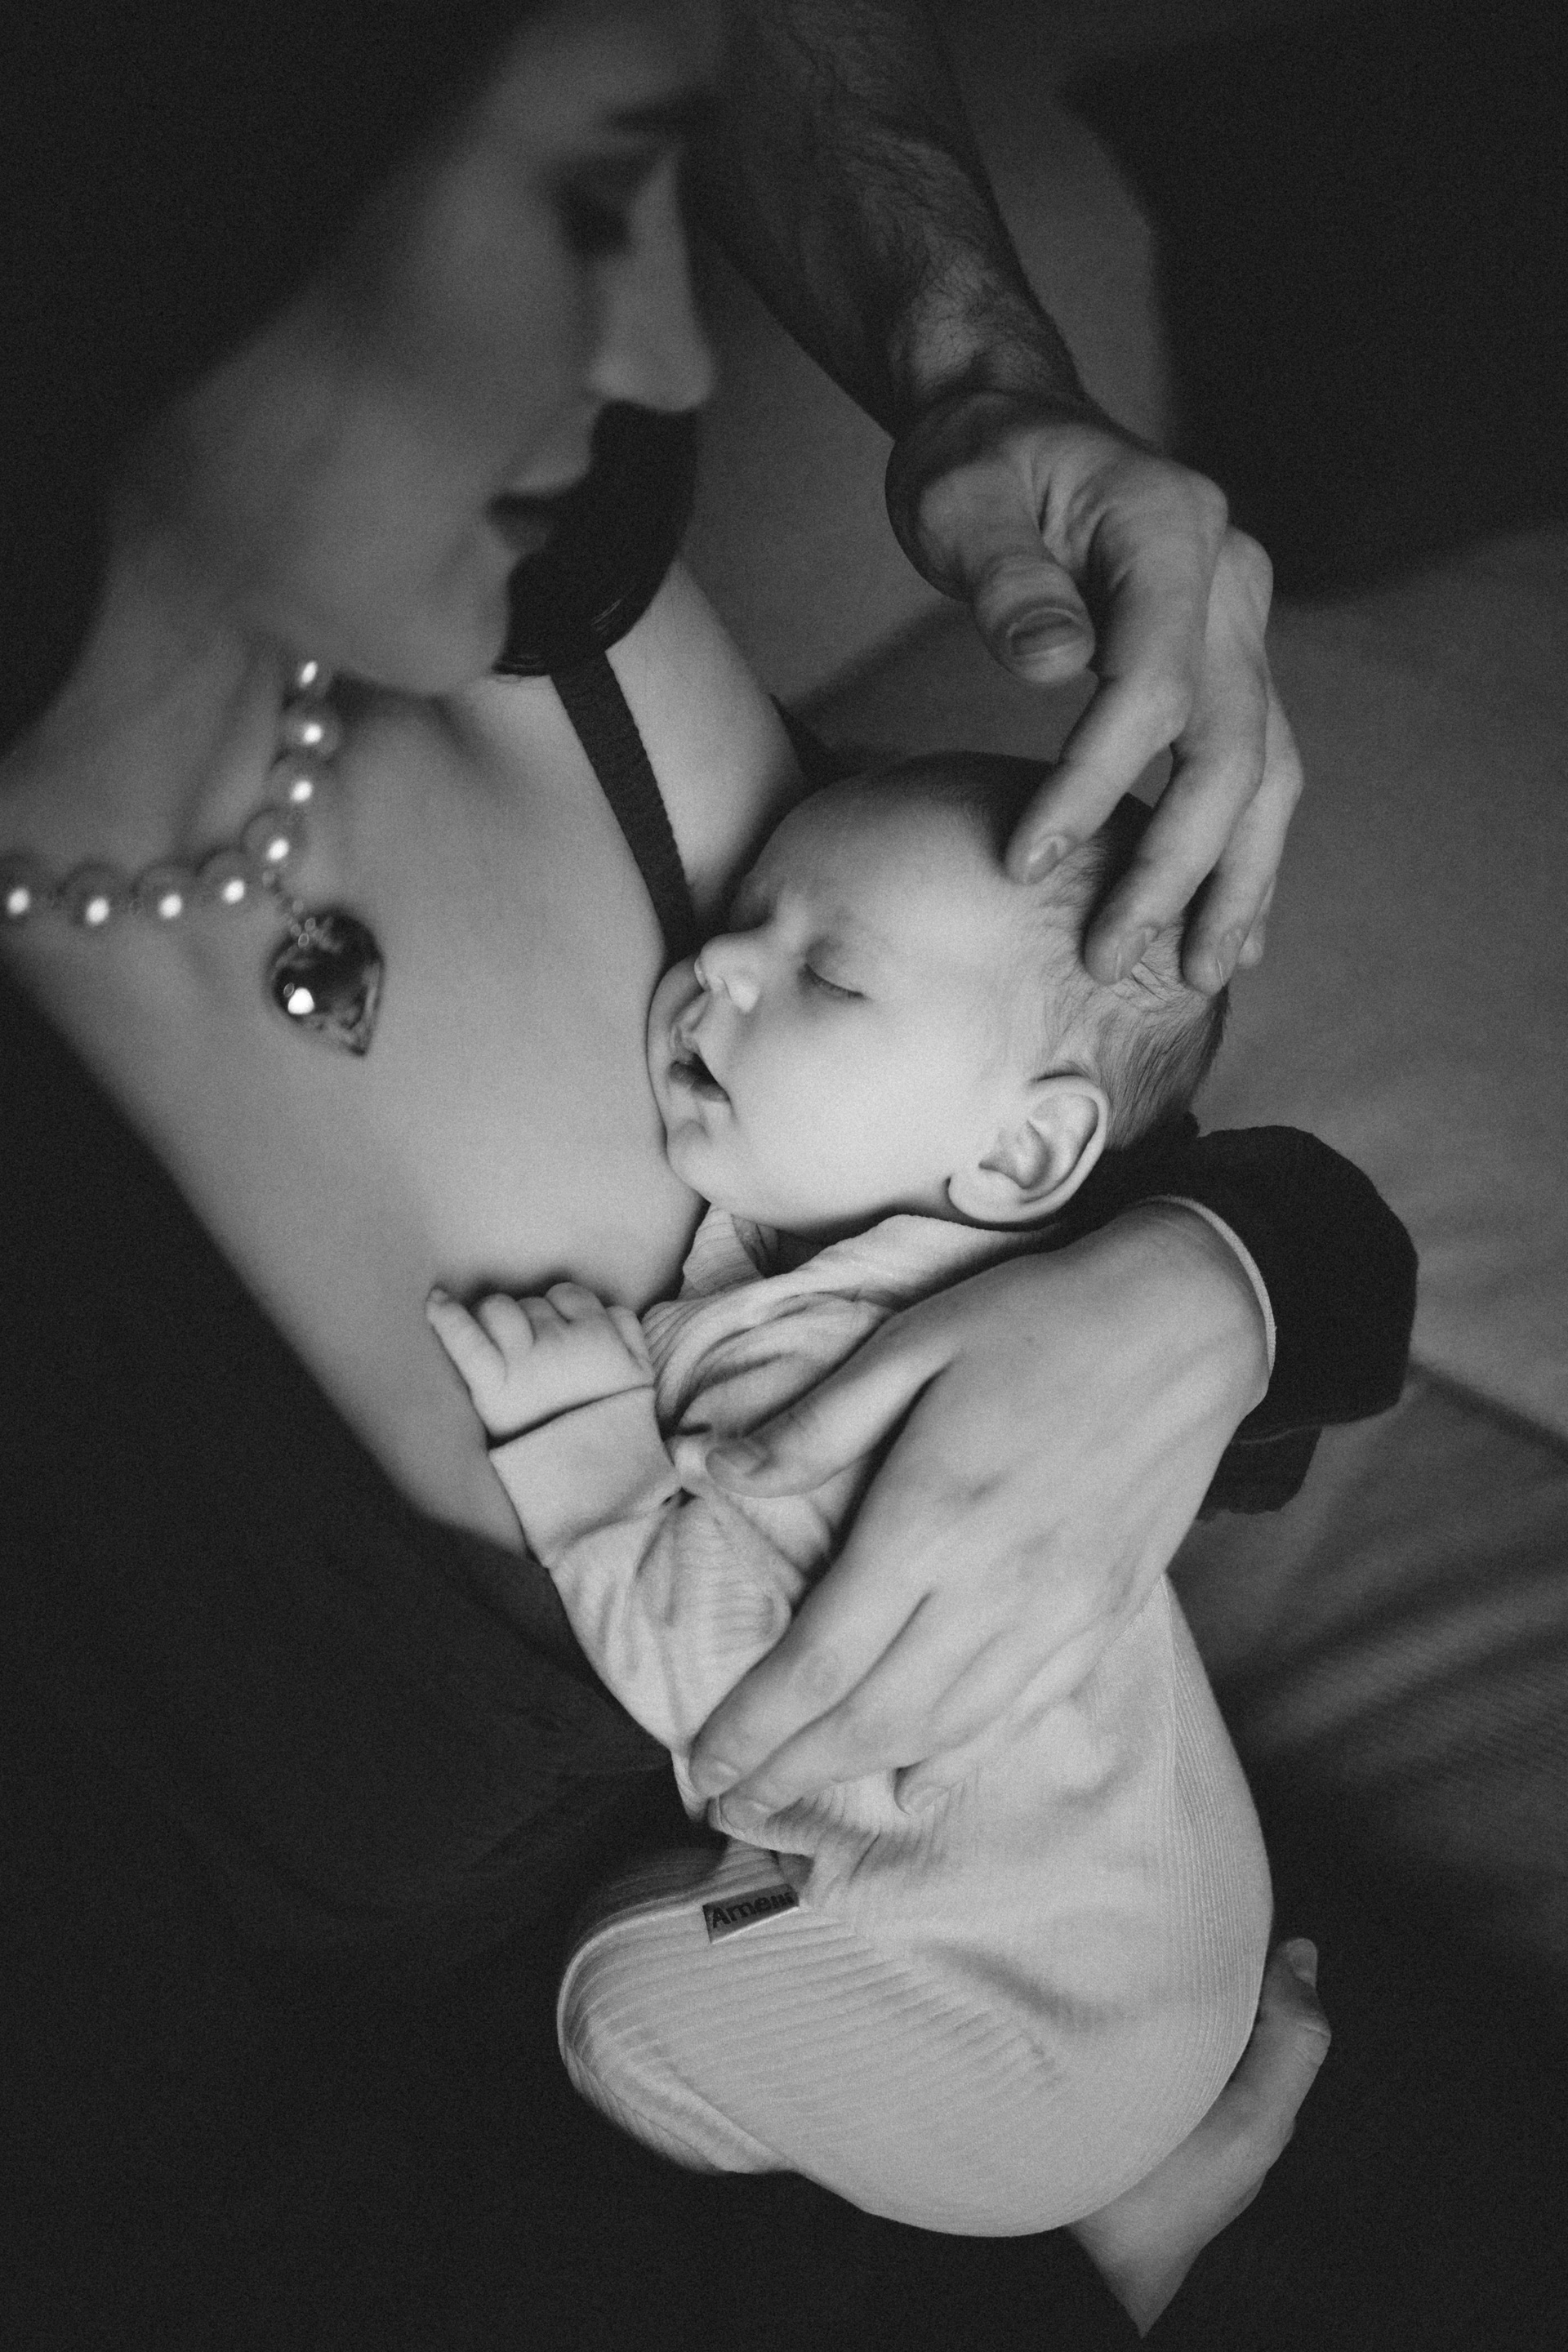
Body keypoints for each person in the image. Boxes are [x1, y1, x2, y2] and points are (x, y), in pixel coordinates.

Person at [0, 2, 1397, 2340]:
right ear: (181, 224)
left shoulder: (555, 604)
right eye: (584, 201)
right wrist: (1067, 2291)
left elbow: (1116, 1185)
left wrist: (1214, 1283)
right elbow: (172, 2225)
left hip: (1148, 1956)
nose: (675, 355)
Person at [427, 758, 1276, 2242]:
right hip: (1163, 1948)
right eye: (742, 916)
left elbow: (733, 1690)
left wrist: (586, 1447)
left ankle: (1073, 2205)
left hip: (1033, 2056)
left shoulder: (823, 1381)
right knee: (750, 1889)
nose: (718, 968)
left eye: (828, 976)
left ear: (1021, 1150)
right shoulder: (945, 1277)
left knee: (614, 1989)